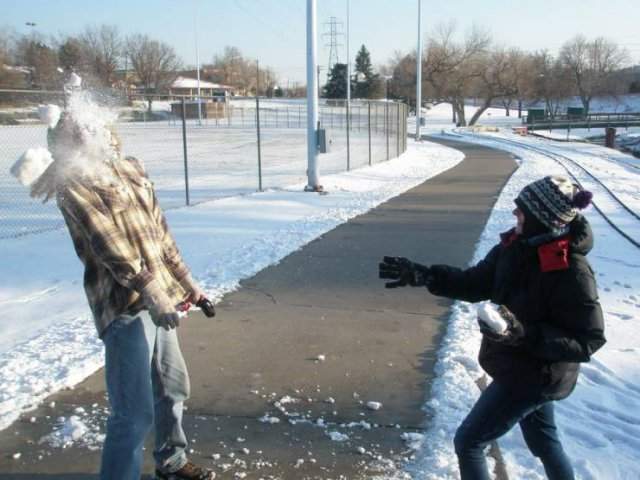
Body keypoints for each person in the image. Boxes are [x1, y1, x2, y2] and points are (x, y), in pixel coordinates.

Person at [23, 104, 216, 480]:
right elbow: (108, 243)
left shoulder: (131, 170)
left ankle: (172, 462)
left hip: (162, 300)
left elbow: (159, 233)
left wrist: (187, 282)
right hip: (124, 306)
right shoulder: (72, 183)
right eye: (83, 132)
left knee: (173, 389)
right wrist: (152, 292)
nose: (99, 136)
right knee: (134, 411)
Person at [379, 175, 606, 480]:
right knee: (543, 442)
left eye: (522, 210)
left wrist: (522, 334)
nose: (515, 214)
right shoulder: (516, 247)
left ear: (542, 218)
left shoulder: (571, 270)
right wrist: (427, 275)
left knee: (470, 442)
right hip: (519, 366)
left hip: (533, 376)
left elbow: (587, 340)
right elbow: (475, 283)